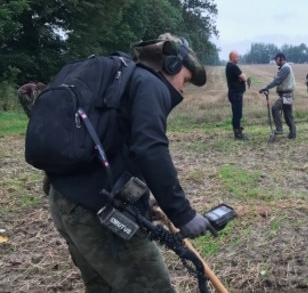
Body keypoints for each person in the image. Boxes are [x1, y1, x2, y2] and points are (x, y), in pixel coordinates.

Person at [48, 33, 212, 292]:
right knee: (152, 286)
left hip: (64, 202)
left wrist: (145, 196)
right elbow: (150, 148)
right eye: (186, 79)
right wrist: (183, 214)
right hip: (97, 213)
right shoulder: (150, 84)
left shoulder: (123, 78)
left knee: (102, 286)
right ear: (171, 65)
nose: (183, 89)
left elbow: (116, 148)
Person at [259, 52, 296, 139]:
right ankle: (293, 134)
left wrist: (266, 87)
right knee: (288, 114)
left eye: (276, 59)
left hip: (286, 95)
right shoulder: (284, 68)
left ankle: (279, 129)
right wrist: (267, 86)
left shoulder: (285, 68)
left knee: (275, 108)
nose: (275, 61)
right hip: (288, 95)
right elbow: (276, 79)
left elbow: (277, 81)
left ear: (281, 58)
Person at [225, 50, 249, 140]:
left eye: (238, 57)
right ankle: (237, 134)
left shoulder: (229, 66)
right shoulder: (233, 66)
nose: (238, 58)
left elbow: (242, 78)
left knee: (237, 114)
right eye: (237, 57)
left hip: (234, 93)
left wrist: (241, 78)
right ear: (232, 57)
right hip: (236, 94)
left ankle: (238, 130)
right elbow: (244, 77)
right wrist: (242, 78)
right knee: (237, 114)